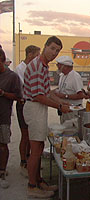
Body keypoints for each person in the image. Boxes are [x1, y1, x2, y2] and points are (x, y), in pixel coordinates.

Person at [23, 36, 71, 198]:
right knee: (36, 150)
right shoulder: (37, 65)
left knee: (38, 145)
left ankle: (39, 181)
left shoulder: (43, 66)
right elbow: (38, 96)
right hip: (35, 107)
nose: (54, 53)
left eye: (57, 50)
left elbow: (47, 92)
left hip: (38, 107)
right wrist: (59, 106)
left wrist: (62, 102)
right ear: (45, 47)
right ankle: (32, 185)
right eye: (52, 48)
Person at [14, 45, 41, 177]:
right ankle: (23, 161)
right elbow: (28, 86)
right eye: (37, 55)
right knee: (25, 135)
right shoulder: (20, 69)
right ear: (30, 54)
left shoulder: (32, 67)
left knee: (32, 135)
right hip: (23, 103)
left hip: (31, 104)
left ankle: (30, 159)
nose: (38, 58)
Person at [0, 49, 22, 189]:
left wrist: (2, 93)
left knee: (3, 144)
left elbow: (18, 96)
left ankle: (2, 170)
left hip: (3, 116)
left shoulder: (12, 76)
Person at [53, 55, 84, 123]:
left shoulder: (75, 77)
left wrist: (64, 96)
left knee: (71, 130)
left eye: (59, 65)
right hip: (64, 109)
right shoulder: (62, 75)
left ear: (66, 66)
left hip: (73, 110)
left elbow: (81, 95)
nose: (57, 67)